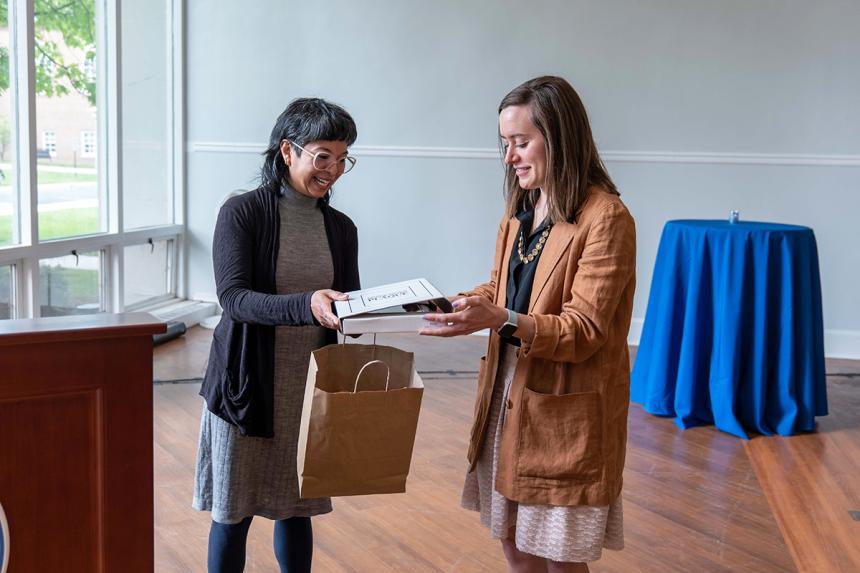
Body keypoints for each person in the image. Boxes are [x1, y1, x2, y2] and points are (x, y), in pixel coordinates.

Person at [421, 76, 636, 572]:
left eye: (521, 143)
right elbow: (499, 288)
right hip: (507, 395)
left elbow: (584, 330)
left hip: (562, 407)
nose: (510, 157)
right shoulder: (521, 207)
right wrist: (459, 304)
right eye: (505, 144)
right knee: (514, 543)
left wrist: (500, 318)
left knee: (558, 557)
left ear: (559, 139)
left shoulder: (607, 218)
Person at [192, 98, 360, 573]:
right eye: (322, 155)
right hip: (246, 387)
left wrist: (389, 313)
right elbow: (235, 300)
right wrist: (306, 303)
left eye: (343, 157)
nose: (333, 169)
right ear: (288, 151)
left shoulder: (341, 228)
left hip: (308, 388)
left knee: (297, 508)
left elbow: (347, 301)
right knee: (233, 514)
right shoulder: (242, 212)